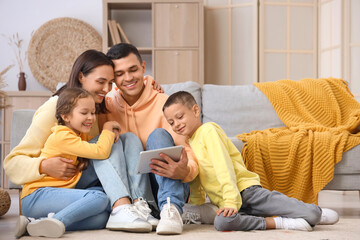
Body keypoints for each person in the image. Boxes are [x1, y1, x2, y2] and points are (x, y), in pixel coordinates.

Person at [5, 50, 162, 238]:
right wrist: (43, 165)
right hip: (46, 188)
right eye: (101, 82)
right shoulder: (55, 109)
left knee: (103, 213)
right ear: (81, 76)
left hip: (74, 185)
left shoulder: (94, 111)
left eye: (110, 83)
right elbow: (11, 163)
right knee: (105, 157)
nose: (107, 89)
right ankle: (121, 206)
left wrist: (150, 84)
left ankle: (138, 205)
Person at [162, 91, 340, 232]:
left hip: (245, 192)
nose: (176, 124)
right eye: (171, 122)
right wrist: (198, 203)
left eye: (180, 117)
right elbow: (197, 180)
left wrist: (231, 201)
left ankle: (316, 213)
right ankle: (279, 223)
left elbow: (223, 166)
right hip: (227, 202)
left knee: (312, 215)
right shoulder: (189, 144)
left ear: (195, 110)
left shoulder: (208, 131)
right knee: (222, 223)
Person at [100, 43, 217, 235]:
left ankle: (171, 210)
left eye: (133, 69)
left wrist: (185, 171)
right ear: (113, 77)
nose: (128, 78)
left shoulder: (165, 102)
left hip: (168, 182)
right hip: (132, 196)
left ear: (143, 68)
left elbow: (187, 150)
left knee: (158, 135)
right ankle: (180, 212)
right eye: (120, 73)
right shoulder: (106, 105)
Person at [18, 87, 121, 237]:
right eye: (84, 113)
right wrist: (107, 129)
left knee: (101, 218)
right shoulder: (62, 136)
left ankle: (34, 223)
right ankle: (56, 221)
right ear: (66, 116)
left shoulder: (78, 134)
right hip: (36, 197)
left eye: (93, 113)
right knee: (100, 198)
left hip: (54, 196)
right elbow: (101, 151)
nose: (91, 118)